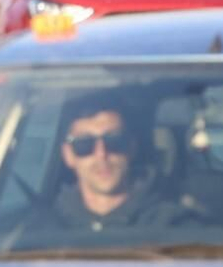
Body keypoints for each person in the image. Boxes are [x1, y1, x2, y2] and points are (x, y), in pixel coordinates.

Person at [49, 92, 189, 231]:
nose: (101, 154)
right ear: (68, 155)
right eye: (84, 144)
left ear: (131, 147)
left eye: (114, 141)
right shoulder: (41, 229)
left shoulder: (175, 226)